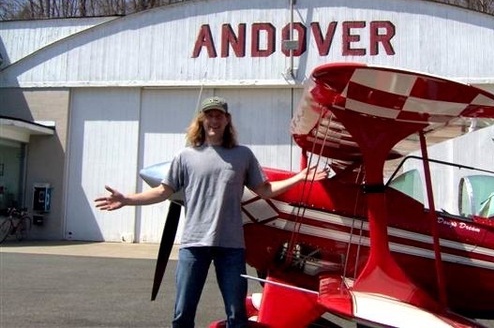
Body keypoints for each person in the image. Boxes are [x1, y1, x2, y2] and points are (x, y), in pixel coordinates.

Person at [94, 96, 326, 328]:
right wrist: (127, 199)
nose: (214, 120)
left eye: (219, 115)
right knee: (183, 312)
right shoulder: (184, 156)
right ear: (202, 121)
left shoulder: (243, 155)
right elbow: (163, 191)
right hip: (194, 244)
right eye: (209, 115)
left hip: (232, 246)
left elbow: (265, 190)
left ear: (227, 120)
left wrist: (300, 178)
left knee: (236, 314)